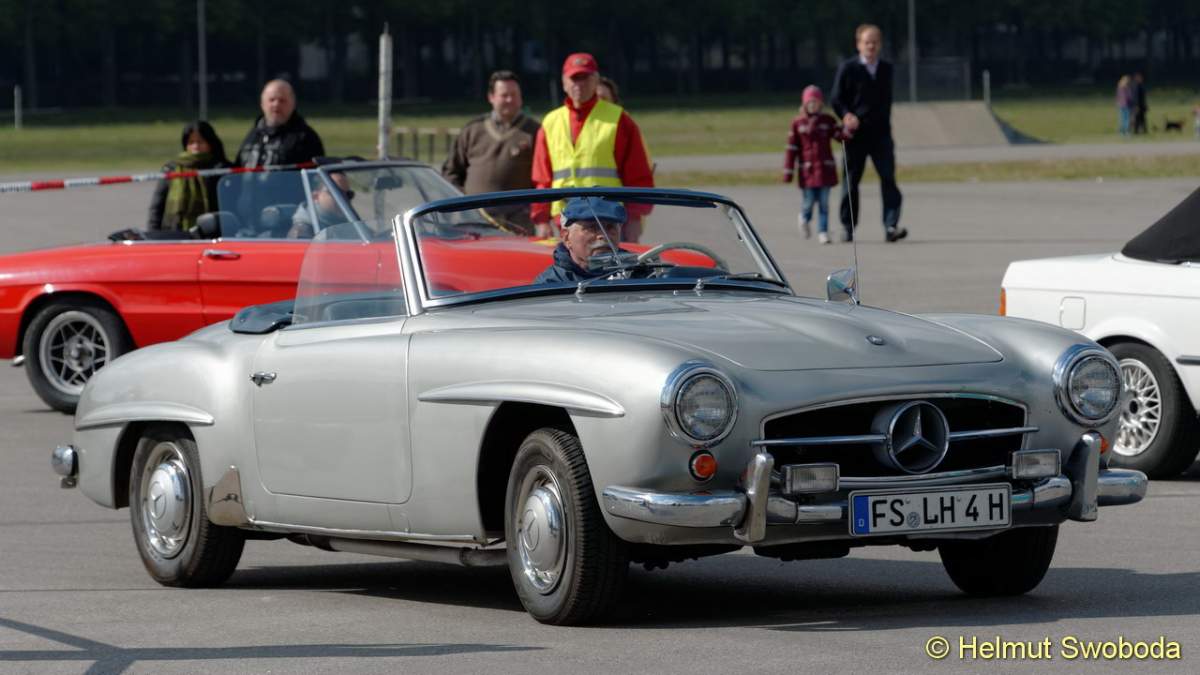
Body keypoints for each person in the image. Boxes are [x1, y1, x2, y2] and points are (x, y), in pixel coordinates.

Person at [531, 53, 654, 242]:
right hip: (564, 222)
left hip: (608, 220)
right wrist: (541, 220)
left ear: (596, 80)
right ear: (564, 83)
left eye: (585, 78)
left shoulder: (619, 119)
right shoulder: (550, 122)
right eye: (574, 78)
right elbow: (542, 179)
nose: (579, 84)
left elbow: (638, 176)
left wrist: (635, 218)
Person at [831, 24, 906, 243]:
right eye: (867, 42)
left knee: (888, 179)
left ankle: (891, 225)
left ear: (879, 45)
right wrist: (846, 115)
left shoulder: (886, 69)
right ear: (858, 44)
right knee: (851, 182)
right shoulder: (848, 68)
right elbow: (836, 98)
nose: (871, 46)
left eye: (874, 42)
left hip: (881, 134)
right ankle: (848, 227)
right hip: (856, 135)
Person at [441, 70, 541, 233]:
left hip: (519, 223)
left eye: (514, 95)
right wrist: (463, 204)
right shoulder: (473, 130)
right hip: (474, 222)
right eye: (504, 95)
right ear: (491, 97)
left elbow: (543, 177)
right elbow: (450, 173)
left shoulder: (535, 131)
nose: (510, 100)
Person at [783, 85, 846, 245]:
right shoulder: (798, 123)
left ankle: (823, 232)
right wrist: (788, 171)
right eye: (810, 102)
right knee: (809, 202)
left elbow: (840, 136)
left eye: (816, 102)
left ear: (820, 103)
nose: (813, 105)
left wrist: (848, 129)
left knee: (824, 203)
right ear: (804, 104)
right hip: (807, 172)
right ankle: (804, 218)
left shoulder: (828, 121)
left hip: (825, 170)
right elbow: (791, 149)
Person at [146, 120, 232, 234]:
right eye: (191, 142)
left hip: (211, 233)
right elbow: (157, 206)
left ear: (210, 143)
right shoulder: (171, 169)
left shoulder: (221, 169)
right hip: (174, 232)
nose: (196, 146)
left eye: (200, 142)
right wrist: (153, 233)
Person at [534, 197, 627, 283]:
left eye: (610, 227)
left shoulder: (633, 274)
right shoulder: (550, 283)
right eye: (592, 227)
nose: (603, 235)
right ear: (566, 237)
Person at [236, 79, 325, 168]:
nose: (276, 104)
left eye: (282, 100)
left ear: (293, 104)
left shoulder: (306, 138)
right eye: (271, 100)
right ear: (262, 104)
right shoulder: (253, 136)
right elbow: (237, 169)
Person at [288, 172, 353, 238]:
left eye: (348, 194)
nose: (344, 199)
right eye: (336, 193)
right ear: (315, 197)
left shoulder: (345, 222)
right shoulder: (303, 234)